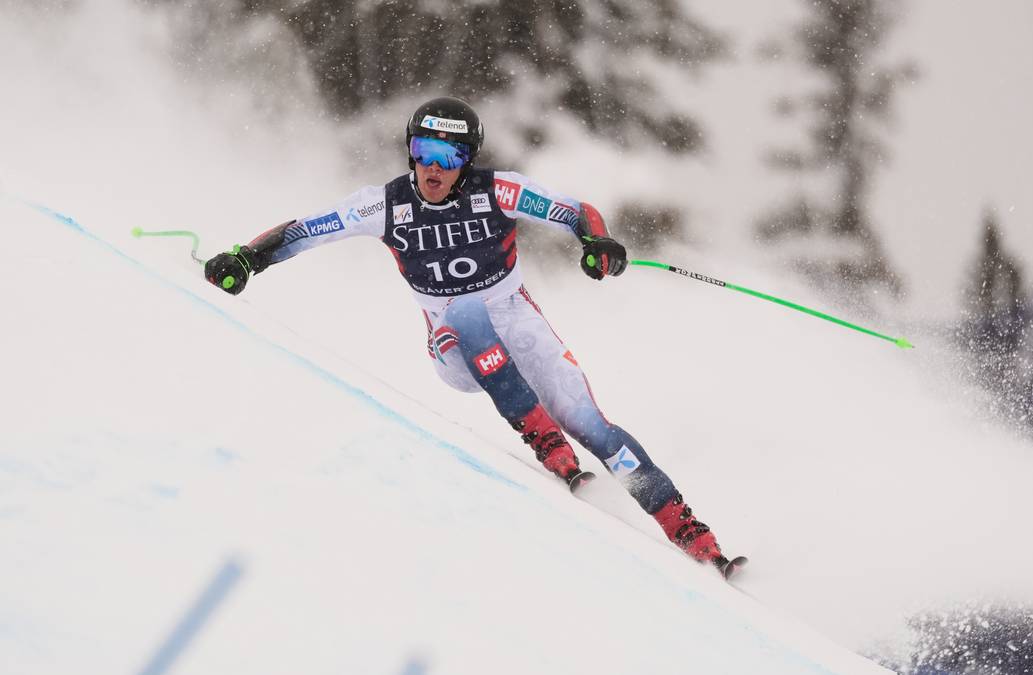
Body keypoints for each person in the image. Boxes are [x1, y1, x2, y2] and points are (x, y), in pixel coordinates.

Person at [205, 96, 733, 570]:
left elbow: (575, 212)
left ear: (468, 160)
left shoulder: (498, 191)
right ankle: (542, 436)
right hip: (454, 347)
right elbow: (304, 231)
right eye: (424, 150)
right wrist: (247, 260)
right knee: (467, 313)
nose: (434, 168)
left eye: (450, 156)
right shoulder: (384, 204)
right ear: (409, 149)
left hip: (520, 323)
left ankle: (690, 530)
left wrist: (597, 243)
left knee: (594, 427)